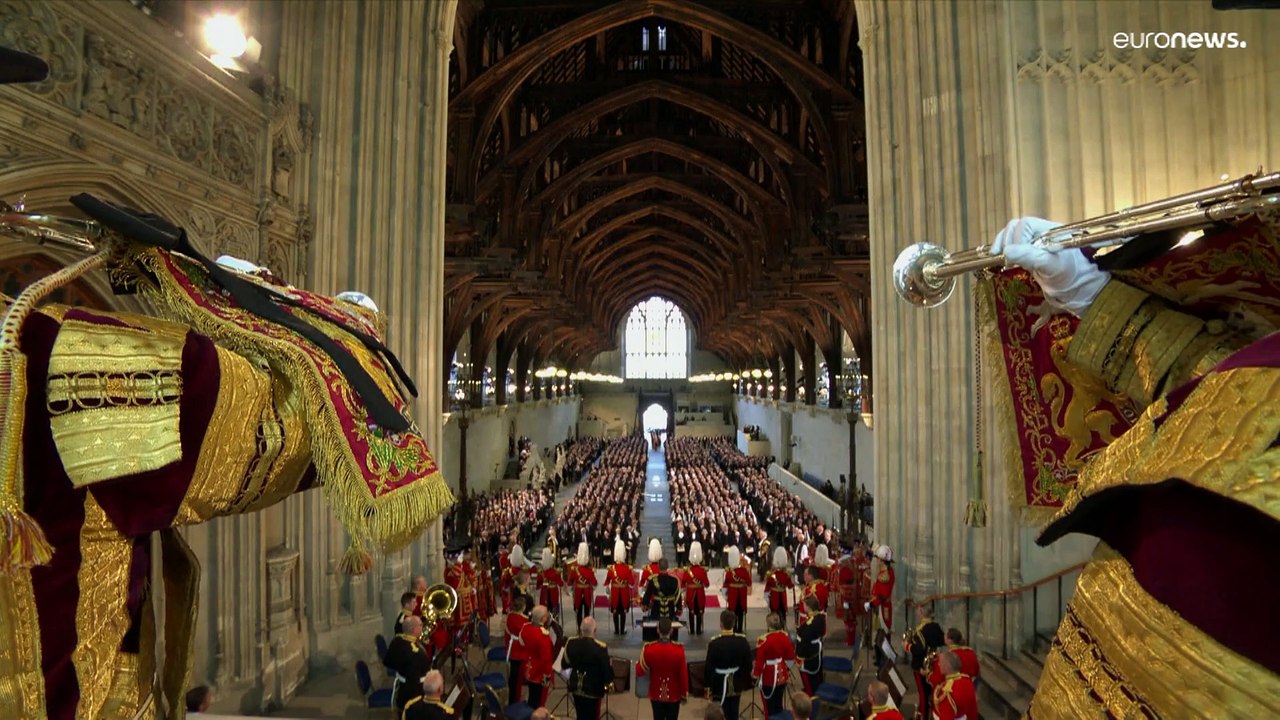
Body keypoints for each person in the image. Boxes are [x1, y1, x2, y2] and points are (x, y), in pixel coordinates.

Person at [705, 610, 753, 720]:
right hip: (736, 683)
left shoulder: (714, 643)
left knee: (718, 713)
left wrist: (708, 687)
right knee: (734, 711)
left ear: (720, 624)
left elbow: (709, 667)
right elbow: (748, 665)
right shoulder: (742, 641)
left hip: (718, 683)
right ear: (734, 624)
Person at [637, 617, 688, 720]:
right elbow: (683, 676)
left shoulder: (649, 649)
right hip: (674, 694)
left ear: (657, 630)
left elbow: (639, 671)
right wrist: (684, 694)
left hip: (656, 693)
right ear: (672, 631)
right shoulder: (679, 650)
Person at [563, 617, 611, 720]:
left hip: (576, 687)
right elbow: (606, 673)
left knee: (580, 715)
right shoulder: (600, 647)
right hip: (593, 690)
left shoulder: (571, 642)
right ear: (595, 630)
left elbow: (564, 664)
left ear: (580, 629)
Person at [752, 613, 796, 717]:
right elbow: (790, 656)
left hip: (768, 676)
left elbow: (759, 662)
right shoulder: (784, 636)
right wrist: (787, 669)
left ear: (768, 625)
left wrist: (755, 677)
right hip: (782, 674)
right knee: (779, 705)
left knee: (768, 708)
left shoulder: (764, 640)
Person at [905, 604, 945, 717]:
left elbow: (919, 650)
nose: (917, 613)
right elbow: (942, 641)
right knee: (931, 691)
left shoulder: (921, 630)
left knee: (923, 694)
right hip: (934, 665)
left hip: (921, 666)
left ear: (922, 613)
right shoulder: (936, 626)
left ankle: (923, 715)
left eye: (918, 611)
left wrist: (907, 646)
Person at [385, 616, 432, 710]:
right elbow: (415, 680)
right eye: (420, 625)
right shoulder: (415, 652)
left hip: (401, 689)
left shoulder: (396, 640)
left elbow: (387, 661)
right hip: (414, 694)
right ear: (414, 629)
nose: (422, 627)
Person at [519, 605, 555, 708]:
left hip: (528, 669)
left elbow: (522, 643)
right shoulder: (544, 635)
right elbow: (546, 659)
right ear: (542, 618)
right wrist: (547, 676)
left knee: (532, 697)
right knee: (539, 702)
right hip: (539, 674)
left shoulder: (525, 627)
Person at [930, 652, 978, 720]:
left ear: (948, 666)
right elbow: (973, 710)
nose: (939, 664)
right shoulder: (967, 680)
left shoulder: (948, 690)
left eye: (941, 662)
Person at [794, 595, 825, 696]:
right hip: (816, 651)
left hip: (809, 655)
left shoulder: (809, 625)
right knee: (817, 677)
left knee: (809, 680)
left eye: (804, 605)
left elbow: (804, 644)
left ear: (808, 607)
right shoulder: (819, 617)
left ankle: (811, 696)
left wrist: (799, 658)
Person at [833, 546, 861, 646]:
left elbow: (842, 582)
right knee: (849, 618)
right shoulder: (851, 564)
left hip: (847, 597)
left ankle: (850, 640)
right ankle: (850, 639)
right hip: (849, 596)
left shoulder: (845, 567)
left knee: (849, 618)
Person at [505, 595, 531, 704]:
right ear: (523, 607)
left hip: (511, 650)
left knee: (513, 676)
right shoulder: (524, 621)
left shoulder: (510, 616)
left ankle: (511, 698)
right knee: (518, 679)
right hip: (520, 651)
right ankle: (515, 700)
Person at [605, 538, 634, 635]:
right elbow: (632, 583)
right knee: (623, 612)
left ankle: (616, 630)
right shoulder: (627, 568)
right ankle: (622, 630)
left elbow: (606, 581)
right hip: (624, 592)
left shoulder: (611, 568)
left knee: (615, 612)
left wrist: (607, 591)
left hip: (614, 592)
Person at [722, 547, 752, 634]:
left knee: (733, 613)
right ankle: (740, 629)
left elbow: (725, 585)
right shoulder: (744, 571)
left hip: (732, 595)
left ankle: (733, 629)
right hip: (742, 594)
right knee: (740, 612)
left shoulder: (729, 573)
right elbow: (749, 583)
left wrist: (725, 595)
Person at [683, 541, 711, 635]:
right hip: (700, 593)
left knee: (691, 611)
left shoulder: (687, 571)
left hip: (690, 593)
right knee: (699, 611)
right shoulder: (702, 571)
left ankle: (691, 630)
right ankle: (698, 630)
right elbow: (707, 584)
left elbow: (683, 583)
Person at [570, 541, 598, 631]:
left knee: (578, 612)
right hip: (587, 592)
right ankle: (586, 629)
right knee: (586, 612)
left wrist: (571, 590)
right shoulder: (590, 571)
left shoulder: (574, 569)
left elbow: (570, 582)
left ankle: (579, 628)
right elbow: (594, 583)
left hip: (578, 591)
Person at [764, 547, 793, 630]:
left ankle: (773, 629)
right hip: (783, 595)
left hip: (774, 596)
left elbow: (768, 584)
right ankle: (783, 629)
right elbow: (790, 586)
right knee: (783, 614)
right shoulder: (786, 574)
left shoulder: (771, 573)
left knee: (774, 613)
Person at [538, 548, 564, 619]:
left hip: (544, 593)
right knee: (555, 614)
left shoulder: (541, 573)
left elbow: (538, 585)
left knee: (544, 614)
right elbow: (561, 584)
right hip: (554, 593)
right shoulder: (555, 572)